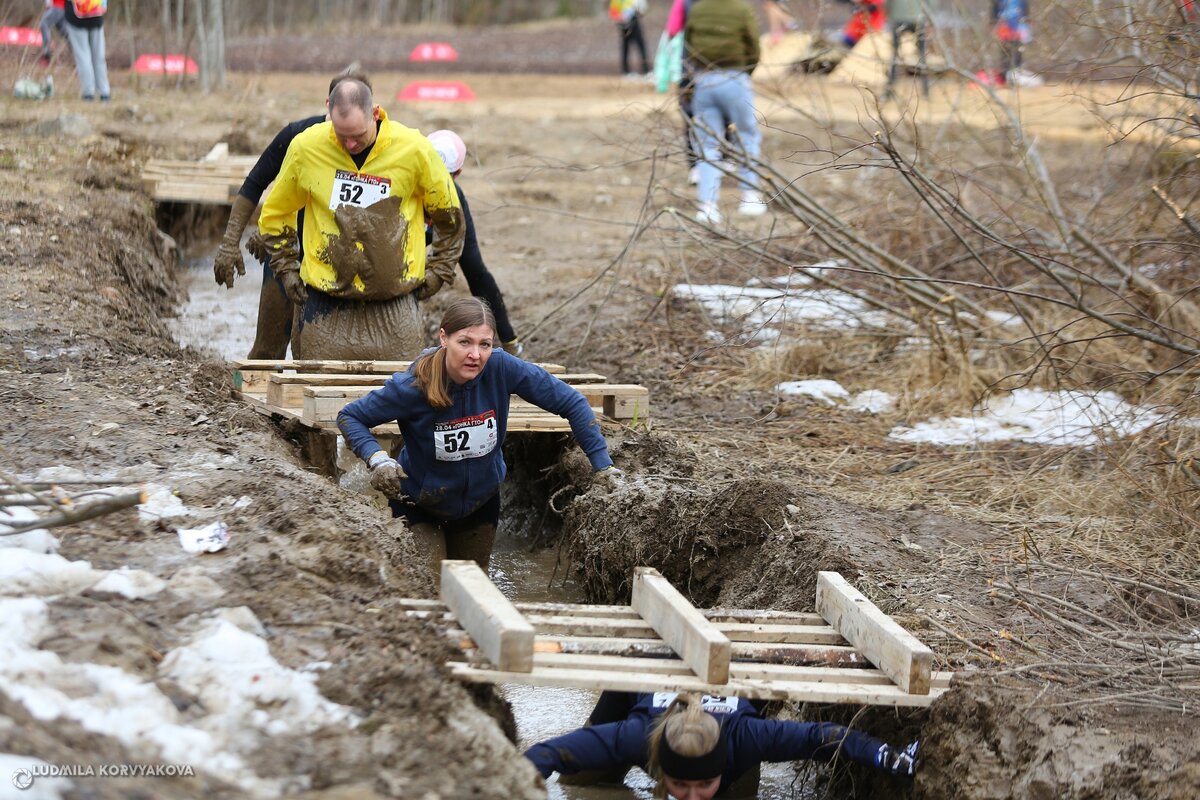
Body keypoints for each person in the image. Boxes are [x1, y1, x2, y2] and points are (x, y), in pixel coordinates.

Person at [337, 298, 621, 575]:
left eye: (484, 344)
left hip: (480, 502)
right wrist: (378, 459)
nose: (475, 355)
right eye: (465, 342)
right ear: (444, 338)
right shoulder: (413, 386)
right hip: (419, 504)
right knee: (428, 585)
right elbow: (350, 416)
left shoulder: (501, 367)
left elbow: (573, 402)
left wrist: (603, 466)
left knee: (473, 589)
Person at [256, 78, 465, 360]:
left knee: (397, 395)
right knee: (321, 395)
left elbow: (449, 216)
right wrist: (285, 267)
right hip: (324, 304)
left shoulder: (414, 150)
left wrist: (440, 271)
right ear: (329, 115)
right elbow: (276, 213)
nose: (350, 144)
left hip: (394, 306)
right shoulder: (307, 148)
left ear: (375, 114)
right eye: (342, 136)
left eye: (357, 135)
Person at [213, 72, 367, 360]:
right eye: (338, 128)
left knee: (316, 354)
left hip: (339, 261)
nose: (349, 142)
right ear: (328, 107)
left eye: (355, 134)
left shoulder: (378, 146)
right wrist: (230, 242)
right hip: (288, 254)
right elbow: (255, 183)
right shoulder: (298, 136)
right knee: (268, 348)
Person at [524, 691, 921, 798]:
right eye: (681, 786)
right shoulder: (634, 735)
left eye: (703, 785)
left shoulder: (748, 740)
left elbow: (828, 736)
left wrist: (891, 758)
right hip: (639, 687)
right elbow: (547, 754)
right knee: (581, 784)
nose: (693, 797)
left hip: (731, 705)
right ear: (661, 769)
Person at [424, 129, 523, 356]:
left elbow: (475, 271)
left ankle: (510, 342)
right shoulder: (401, 188)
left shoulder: (456, 200)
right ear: (458, 172)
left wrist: (508, 338)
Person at [686, 0, 768, 224]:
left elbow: (689, 45)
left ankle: (708, 206)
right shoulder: (741, 9)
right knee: (746, 135)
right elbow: (754, 46)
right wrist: (745, 72)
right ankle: (750, 197)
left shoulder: (698, 9)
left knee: (707, 144)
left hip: (704, 80)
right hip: (734, 78)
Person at [63, 0, 109, 102]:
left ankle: (88, 93)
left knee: (83, 57)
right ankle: (104, 92)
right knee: (99, 56)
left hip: (76, 19)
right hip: (96, 15)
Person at [883, 0, 930, 99]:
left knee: (894, 55)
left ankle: (889, 90)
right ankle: (926, 91)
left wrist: (888, 14)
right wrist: (929, 18)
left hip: (898, 18)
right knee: (922, 55)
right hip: (917, 17)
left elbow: (887, 3)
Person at [991, 0, 1042, 87]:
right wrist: (994, 24)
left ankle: (1015, 77)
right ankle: (1006, 78)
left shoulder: (1021, 1)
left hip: (1018, 29)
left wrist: (1027, 25)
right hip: (1004, 30)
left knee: (1017, 54)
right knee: (1005, 55)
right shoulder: (999, 2)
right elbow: (994, 14)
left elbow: (1026, 14)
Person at [610, 0, 651, 78]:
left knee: (634, 47)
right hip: (627, 23)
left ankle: (641, 70)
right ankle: (629, 71)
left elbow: (641, 10)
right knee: (634, 47)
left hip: (629, 22)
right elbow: (613, 12)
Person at [37, 1, 66, 65]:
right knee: (66, 34)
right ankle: (82, 57)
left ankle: (46, 55)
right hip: (62, 8)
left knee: (44, 24)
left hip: (57, 6)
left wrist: (49, 4)